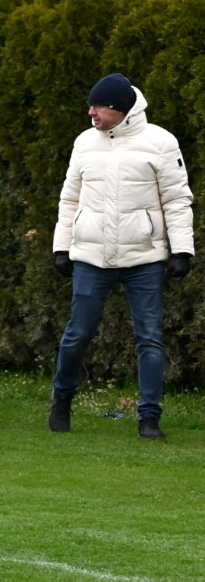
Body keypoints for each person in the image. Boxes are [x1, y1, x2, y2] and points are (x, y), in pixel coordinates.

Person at [50, 73, 194, 440]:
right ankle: (62, 399)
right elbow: (70, 198)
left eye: (98, 106)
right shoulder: (84, 143)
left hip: (144, 259)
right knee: (78, 334)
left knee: (150, 337)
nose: (91, 113)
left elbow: (177, 199)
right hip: (90, 258)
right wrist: (61, 247)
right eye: (91, 106)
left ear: (120, 110)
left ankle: (149, 418)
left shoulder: (161, 142)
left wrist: (182, 250)